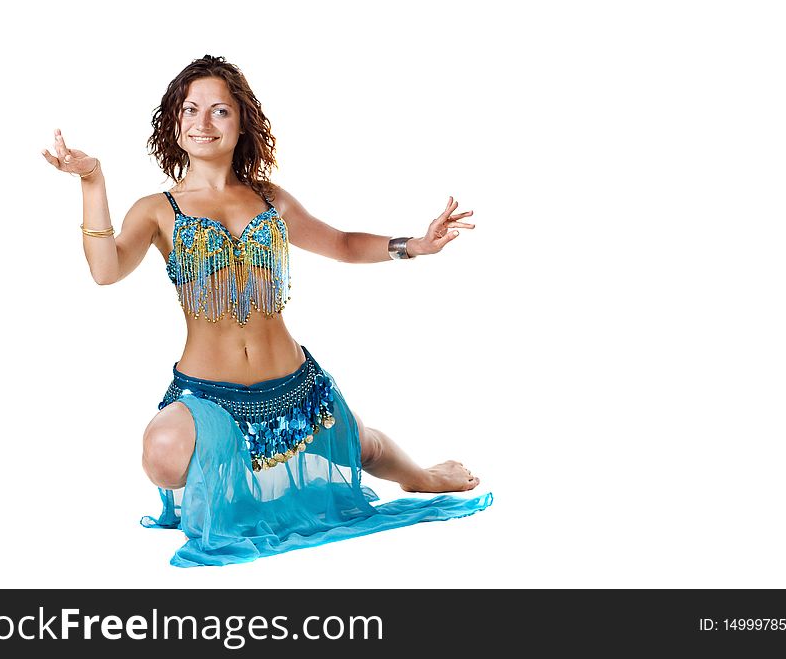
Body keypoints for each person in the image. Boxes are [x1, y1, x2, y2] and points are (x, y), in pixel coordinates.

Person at [43, 55, 492, 567]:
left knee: (358, 449)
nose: (203, 122)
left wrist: (412, 245)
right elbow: (106, 269)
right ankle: (240, 486)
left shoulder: (269, 199)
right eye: (190, 110)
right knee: (165, 456)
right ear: (175, 123)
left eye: (220, 111)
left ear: (242, 123)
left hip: (294, 383)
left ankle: (421, 476)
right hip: (211, 397)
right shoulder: (156, 209)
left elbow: (342, 243)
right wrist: (92, 181)